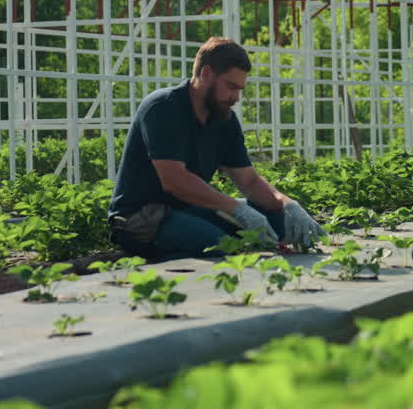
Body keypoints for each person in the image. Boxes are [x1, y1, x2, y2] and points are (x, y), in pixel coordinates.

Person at [107, 37, 325, 260]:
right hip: (143, 218)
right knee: (218, 245)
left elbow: (249, 182)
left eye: (239, 89)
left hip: (189, 208)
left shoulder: (224, 119)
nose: (236, 98)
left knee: (279, 222)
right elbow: (175, 181)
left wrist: (287, 204)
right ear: (207, 74)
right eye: (231, 87)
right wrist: (238, 210)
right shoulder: (163, 107)